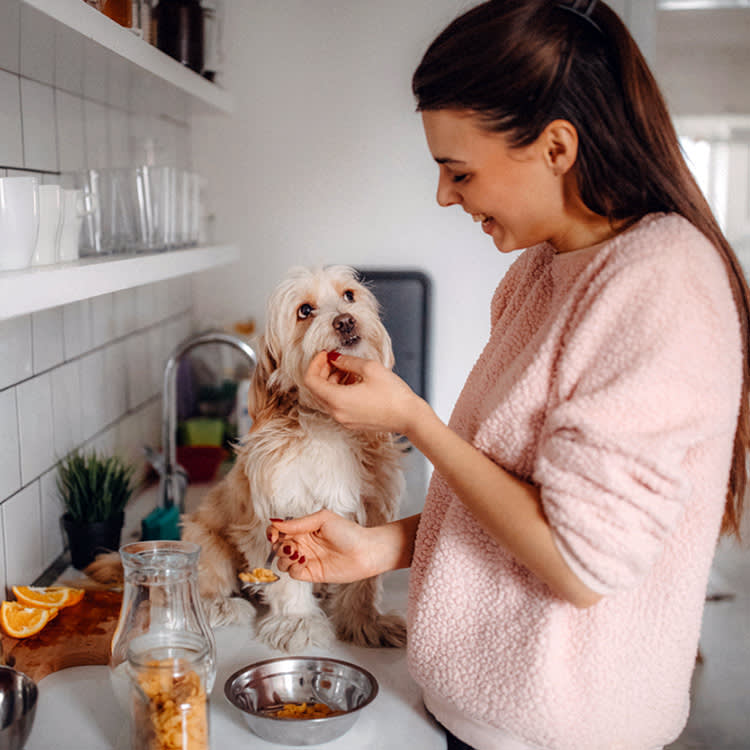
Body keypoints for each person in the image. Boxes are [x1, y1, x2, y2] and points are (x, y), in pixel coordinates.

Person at [268, 1, 750, 748]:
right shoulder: (538, 273)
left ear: (556, 146)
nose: (444, 195)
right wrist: (384, 548)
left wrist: (414, 421)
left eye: (459, 171)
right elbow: (520, 500)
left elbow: (577, 564)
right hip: (471, 715)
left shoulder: (661, 286)